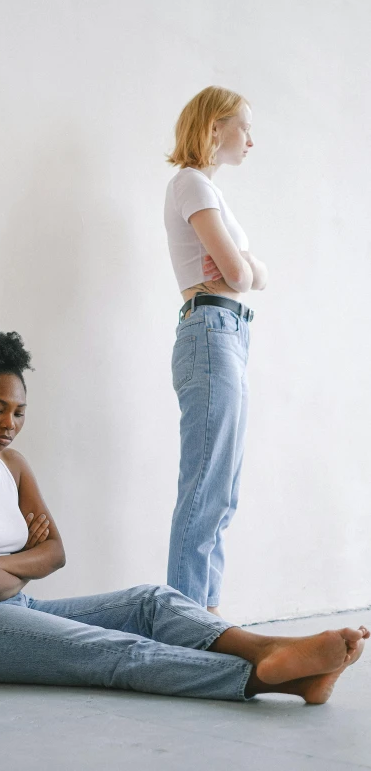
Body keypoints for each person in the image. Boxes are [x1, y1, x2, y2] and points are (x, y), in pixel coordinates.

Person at [0, 328, 368, 704]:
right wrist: (4, 569)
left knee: (151, 601)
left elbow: (54, 555)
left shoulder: (14, 466)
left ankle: (272, 652)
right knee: (113, 651)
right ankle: (271, 678)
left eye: (18, 412)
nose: (8, 423)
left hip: (15, 607)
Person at [165, 86, 267, 613]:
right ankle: (187, 618)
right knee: (206, 487)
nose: (251, 138)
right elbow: (237, 273)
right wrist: (244, 267)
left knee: (221, 490)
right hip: (211, 332)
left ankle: (205, 612)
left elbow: (253, 275)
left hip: (228, 331)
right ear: (213, 128)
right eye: (243, 126)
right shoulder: (191, 184)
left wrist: (245, 267)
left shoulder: (210, 193)